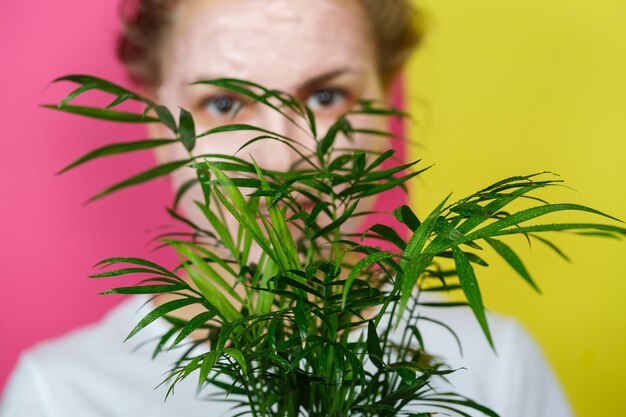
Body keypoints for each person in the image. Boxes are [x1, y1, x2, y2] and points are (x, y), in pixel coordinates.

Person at [0, 0, 575, 416]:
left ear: (387, 103)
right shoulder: (65, 396)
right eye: (224, 102)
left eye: (327, 97)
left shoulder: (491, 366)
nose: (283, 156)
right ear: (157, 125)